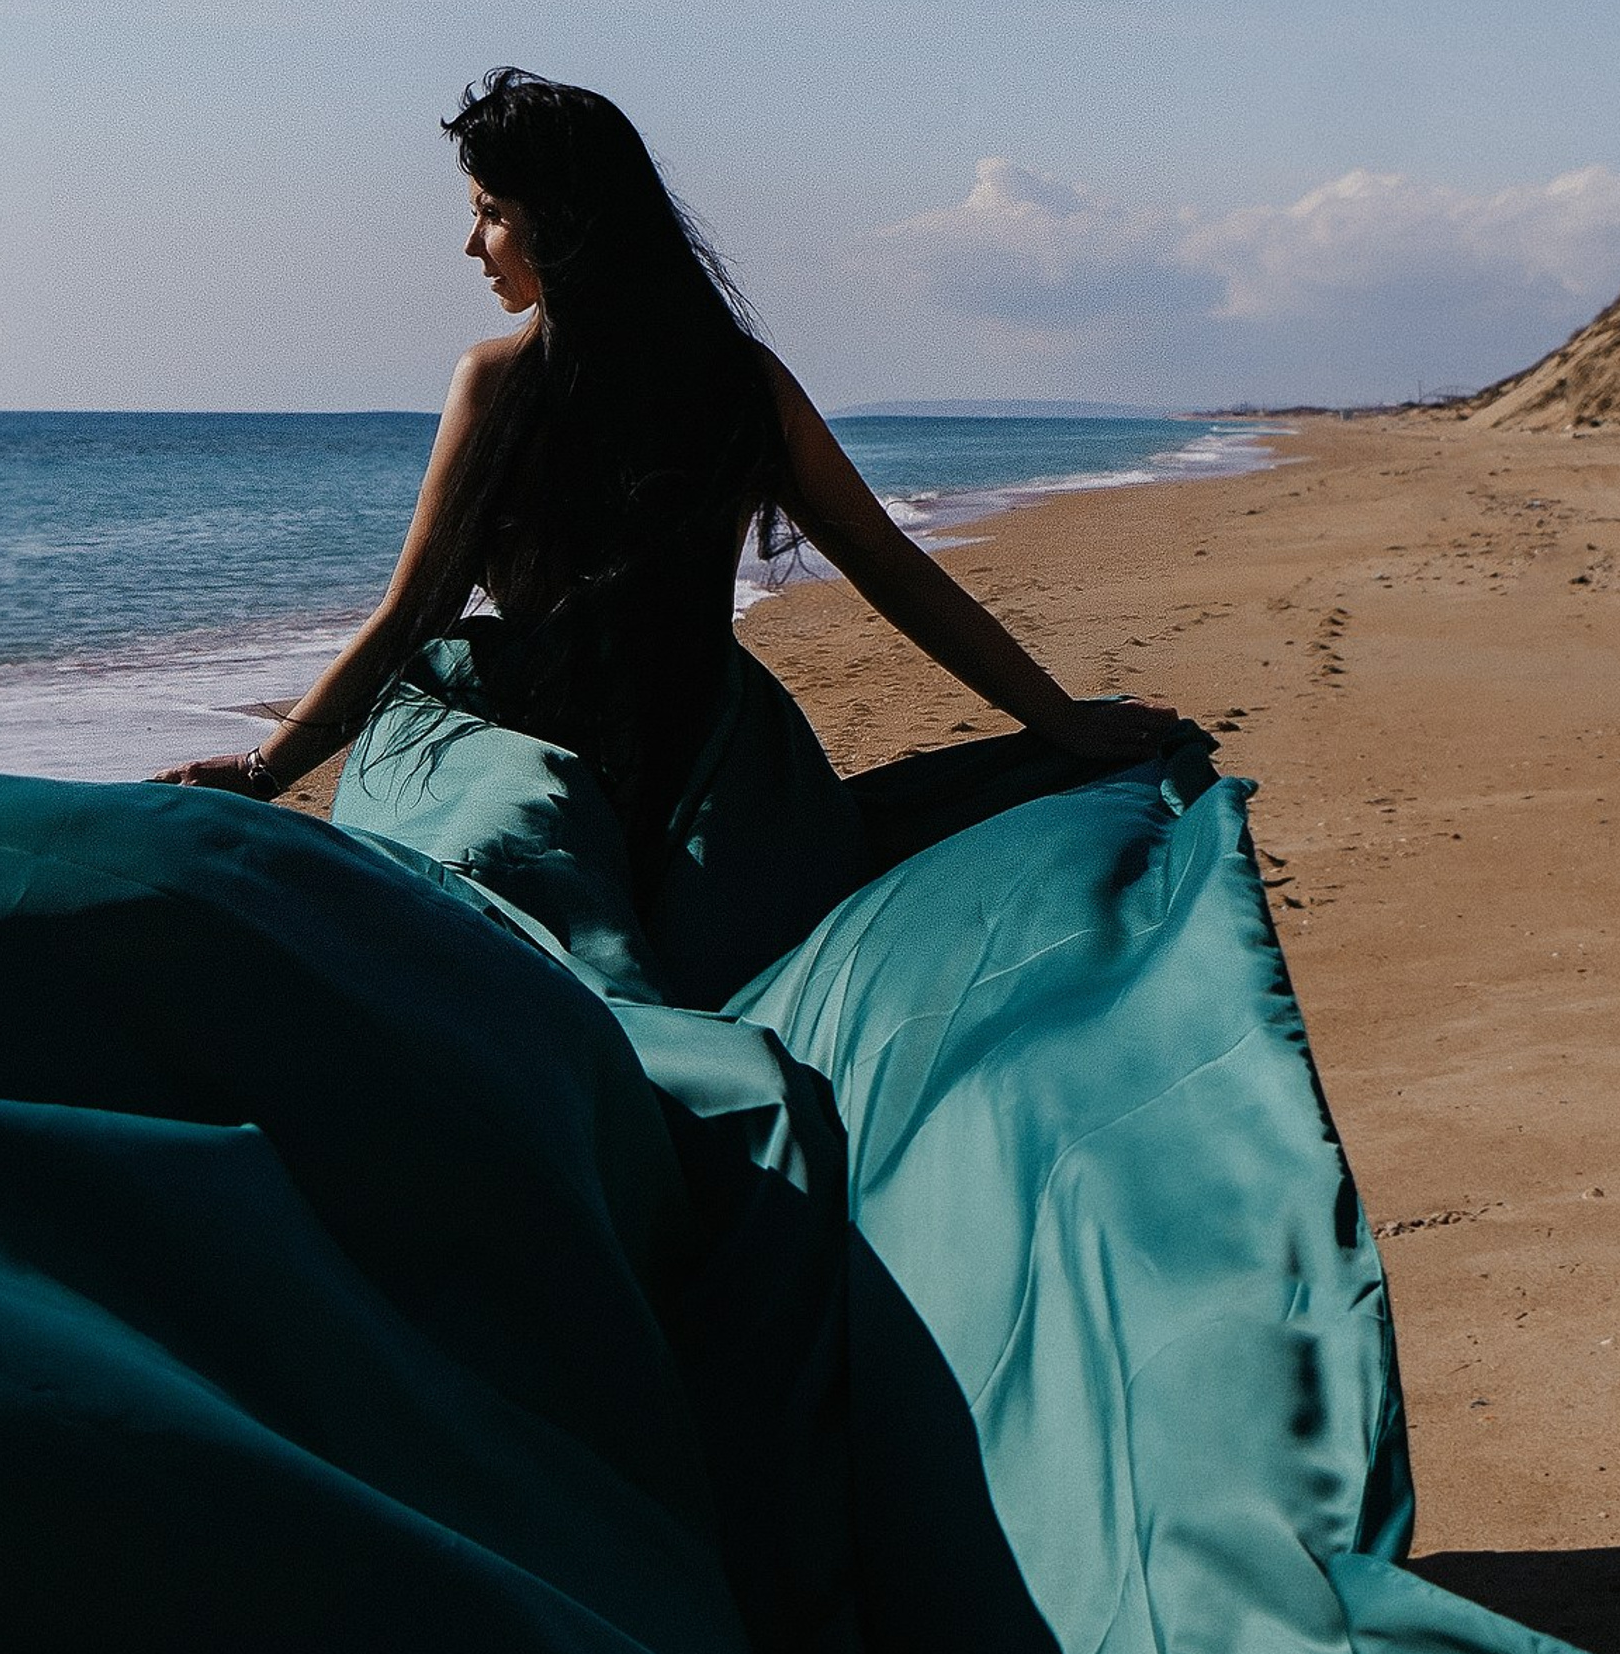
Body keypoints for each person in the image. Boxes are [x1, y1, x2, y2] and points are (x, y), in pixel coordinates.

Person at [160, 72, 1188, 993]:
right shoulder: (663, 380)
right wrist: (265, 768)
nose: (473, 245)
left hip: (668, 757)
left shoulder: (614, 383)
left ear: (560, 222)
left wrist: (1062, 723)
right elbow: (415, 609)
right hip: (638, 745)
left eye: (490, 215)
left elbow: (885, 564)